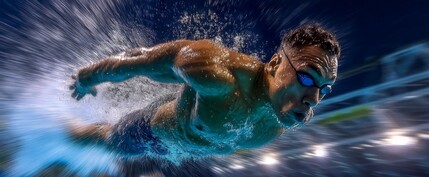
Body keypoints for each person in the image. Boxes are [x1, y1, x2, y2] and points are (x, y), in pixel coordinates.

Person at [68, 23, 340, 159]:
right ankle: (64, 129)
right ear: (275, 64)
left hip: (178, 150)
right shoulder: (217, 73)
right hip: (151, 131)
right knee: (103, 140)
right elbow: (141, 60)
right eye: (306, 78)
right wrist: (87, 77)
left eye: (324, 90)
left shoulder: (282, 117)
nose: (314, 99)